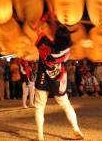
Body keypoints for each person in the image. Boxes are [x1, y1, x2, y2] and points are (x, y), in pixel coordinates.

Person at [33, 13, 84, 141]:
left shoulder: (45, 46)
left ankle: (40, 136)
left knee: (40, 107)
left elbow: (37, 28)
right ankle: (76, 129)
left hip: (43, 77)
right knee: (66, 105)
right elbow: (61, 38)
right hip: (58, 78)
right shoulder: (66, 51)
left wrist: (45, 17)